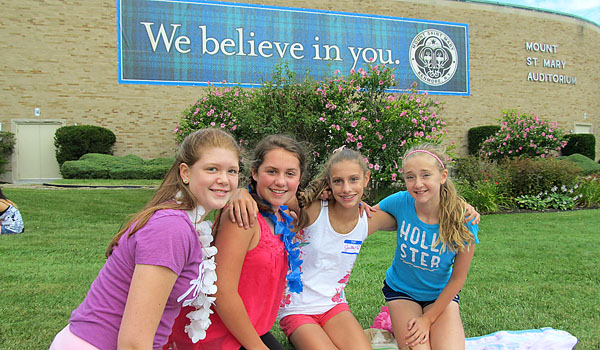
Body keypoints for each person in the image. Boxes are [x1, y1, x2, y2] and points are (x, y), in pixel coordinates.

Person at [227, 146, 479, 350]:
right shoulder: (313, 211)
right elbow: (275, 196)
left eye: (354, 180)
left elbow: (422, 212)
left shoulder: (366, 219)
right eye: (338, 181)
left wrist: (461, 206)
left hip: (335, 306)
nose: (347, 189)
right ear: (329, 183)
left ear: (365, 180)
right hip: (297, 308)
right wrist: (242, 192)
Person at [49, 128, 242, 350]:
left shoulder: (187, 223)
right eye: (212, 169)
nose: (224, 180)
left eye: (232, 171)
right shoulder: (171, 228)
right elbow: (133, 343)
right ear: (185, 173)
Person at [165, 134, 307, 350]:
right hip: (220, 336)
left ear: (300, 178)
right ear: (254, 172)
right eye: (271, 171)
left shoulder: (281, 216)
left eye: (290, 174)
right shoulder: (243, 216)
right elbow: (221, 291)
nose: (280, 181)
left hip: (253, 329)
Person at [377, 143, 479, 350]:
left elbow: (458, 278)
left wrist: (428, 319)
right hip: (402, 292)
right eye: (410, 177)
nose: (418, 183)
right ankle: (395, 319)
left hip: (439, 296)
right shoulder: (401, 201)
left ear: (442, 176)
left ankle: (407, 323)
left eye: (426, 175)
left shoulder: (463, 218)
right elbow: (366, 216)